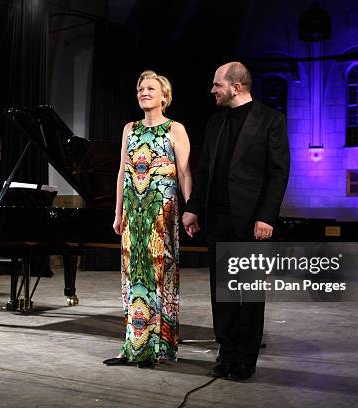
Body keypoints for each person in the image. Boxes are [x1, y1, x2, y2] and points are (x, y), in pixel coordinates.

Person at [182, 62, 290, 381]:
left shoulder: (271, 120)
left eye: (217, 85)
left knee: (250, 294)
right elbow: (204, 172)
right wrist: (193, 208)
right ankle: (227, 353)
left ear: (236, 87)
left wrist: (266, 217)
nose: (212, 90)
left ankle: (246, 360)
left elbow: (278, 173)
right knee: (223, 292)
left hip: (252, 222)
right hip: (218, 218)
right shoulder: (215, 122)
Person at [103, 70, 192, 368]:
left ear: (164, 96)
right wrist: (118, 211)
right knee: (134, 282)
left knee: (158, 280)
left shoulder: (175, 129)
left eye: (151, 88)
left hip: (161, 217)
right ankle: (134, 346)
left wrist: (190, 209)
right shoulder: (130, 128)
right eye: (141, 88)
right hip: (133, 215)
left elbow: (184, 172)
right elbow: (121, 171)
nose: (144, 92)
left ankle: (157, 349)